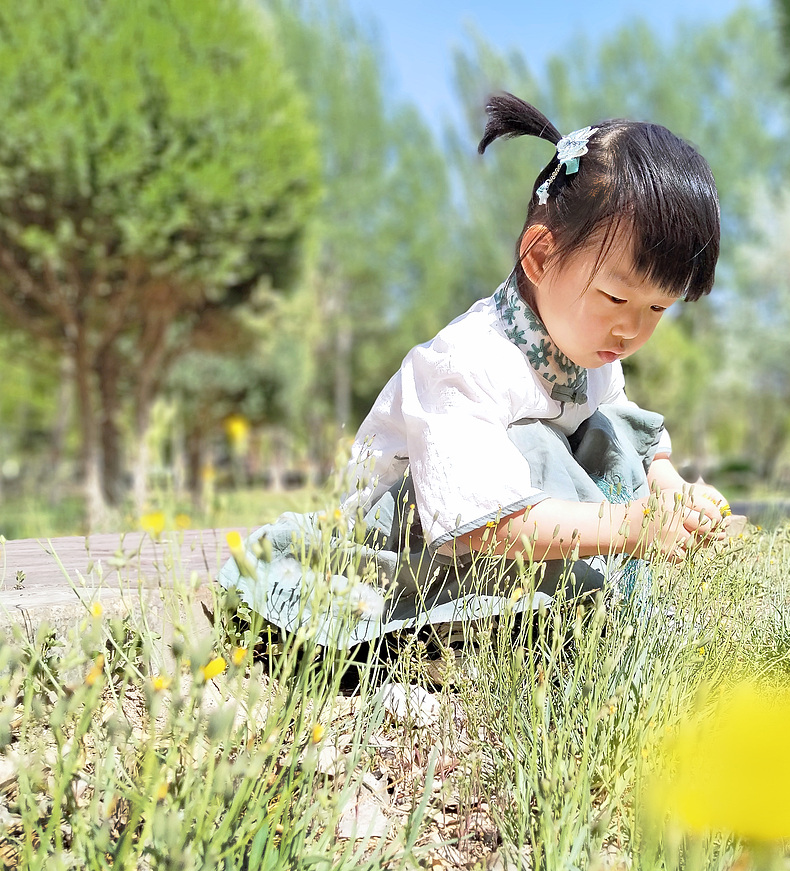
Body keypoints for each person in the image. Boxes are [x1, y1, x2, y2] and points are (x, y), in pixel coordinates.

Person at [220, 92, 735, 649]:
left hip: (521, 532)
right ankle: (485, 625)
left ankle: (559, 611)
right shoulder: (468, 362)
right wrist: (631, 526)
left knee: (603, 429)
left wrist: (670, 490)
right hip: (422, 536)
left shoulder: (592, 352)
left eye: (657, 309)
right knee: (537, 444)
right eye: (615, 298)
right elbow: (487, 522)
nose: (632, 330)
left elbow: (630, 436)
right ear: (538, 257)